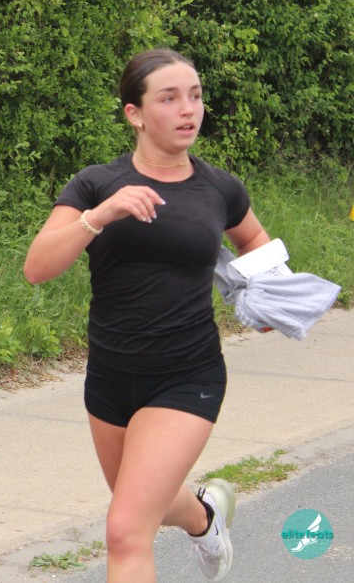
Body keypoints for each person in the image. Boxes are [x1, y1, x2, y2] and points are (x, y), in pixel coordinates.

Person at [23, 48, 271, 582]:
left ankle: (201, 519)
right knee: (144, 506)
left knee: (125, 530)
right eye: (170, 98)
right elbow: (37, 268)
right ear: (134, 113)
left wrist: (268, 295)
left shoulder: (219, 188)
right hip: (110, 379)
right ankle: (204, 518)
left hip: (187, 376)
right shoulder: (96, 184)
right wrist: (100, 216)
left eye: (195, 96)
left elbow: (253, 240)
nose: (188, 109)